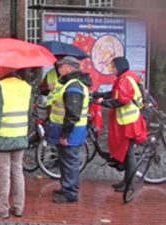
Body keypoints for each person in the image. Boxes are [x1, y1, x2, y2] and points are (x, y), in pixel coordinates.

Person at [0, 67, 31, 219]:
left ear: (4, 70)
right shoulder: (26, 86)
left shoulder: (0, 87)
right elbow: (29, 113)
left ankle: (2, 209)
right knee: (17, 172)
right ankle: (18, 208)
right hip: (20, 135)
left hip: (3, 137)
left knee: (3, 175)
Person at [93, 56, 147, 192]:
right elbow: (114, 94)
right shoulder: (125, 78)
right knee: (127, 152)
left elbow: (121, 101)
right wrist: (98, 94)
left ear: (120, 66)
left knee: (129, 154)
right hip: (127, 121)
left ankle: (129, 185)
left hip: (129, 122)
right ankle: (126, 182)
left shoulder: (125, 80)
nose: (112, 69)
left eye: (113, 66)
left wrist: (102, 102)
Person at [47, 56, 91, 204]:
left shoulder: (74, 87)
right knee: (65, 161)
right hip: (69, 131)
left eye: (61, 67)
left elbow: (72, 114)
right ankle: (66, 188)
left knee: (70, 162)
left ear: (70, 68)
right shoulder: (70, 84)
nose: (59, 69)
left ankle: (70, 192)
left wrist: (65, 134)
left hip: (71, 132)